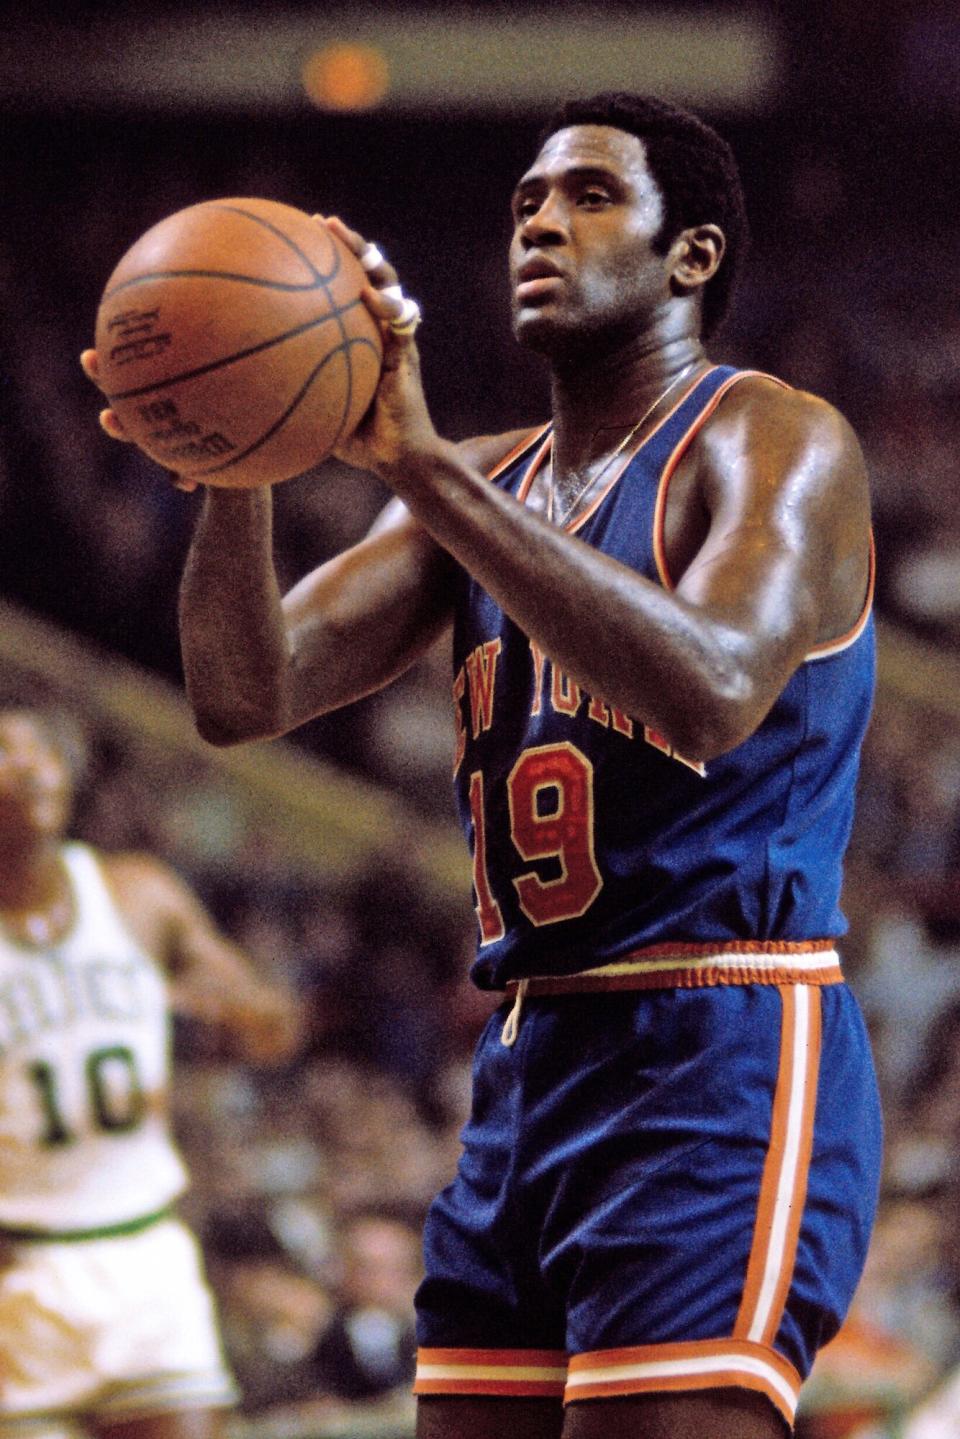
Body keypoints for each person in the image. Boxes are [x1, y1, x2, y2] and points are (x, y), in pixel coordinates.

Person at [84, 91, 882, 1439]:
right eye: (524, 202)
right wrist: (235, 444)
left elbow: (713, 688)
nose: (540, 225)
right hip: (528, 1061)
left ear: (691, 255)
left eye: (586, 197)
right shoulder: (490, 483)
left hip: (719, 1050)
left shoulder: (774, 438)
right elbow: (243, 688)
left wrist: (410, 461)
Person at [0, 705, 301, 1439]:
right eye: (7, 752)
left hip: (144, 1255)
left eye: (44, 748)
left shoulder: (138, 893)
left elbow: (274, 1022)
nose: (34, 764)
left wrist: (238, 1019)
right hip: (19, 1263)